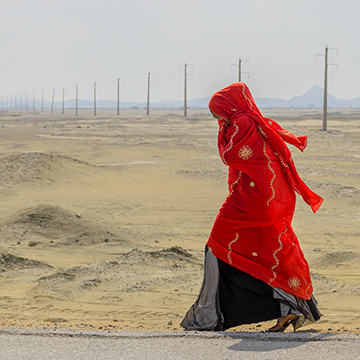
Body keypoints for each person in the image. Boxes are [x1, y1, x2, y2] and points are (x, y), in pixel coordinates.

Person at [181, 82, 323, 332]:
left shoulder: (243, 122)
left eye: (216, 111)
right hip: (255, 197)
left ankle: (209, 315)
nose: (215, 116)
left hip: (250, 201)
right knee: (269, 251)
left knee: (217, 245)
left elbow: (232, 155)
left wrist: (222, 129)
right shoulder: (248, 121)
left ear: (229, 106)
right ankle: (287, 309)